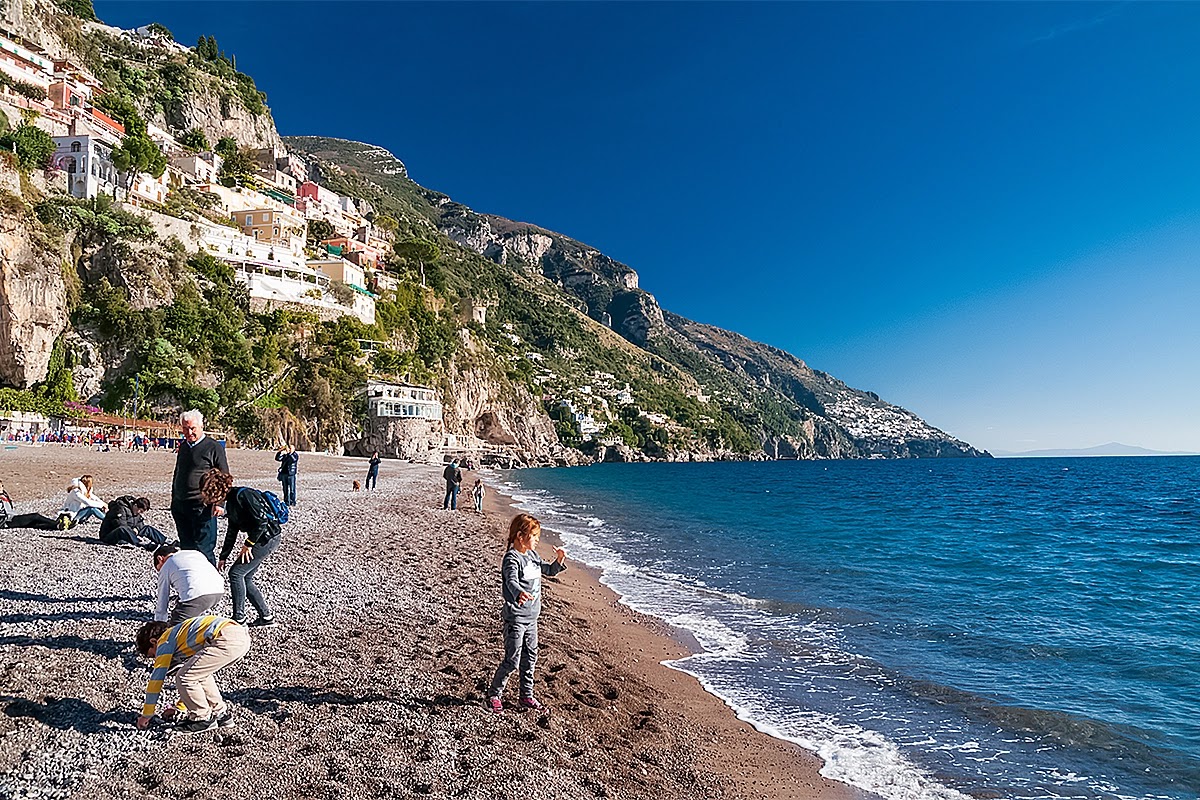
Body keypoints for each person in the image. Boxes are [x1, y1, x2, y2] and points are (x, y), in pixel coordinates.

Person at [485, 513, 567, 713]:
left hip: (532, 619)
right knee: (512, 660)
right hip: (516, 619)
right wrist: (519, 592)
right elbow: (511, 580)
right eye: (534, 536)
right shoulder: (512, 558)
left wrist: (559, 561)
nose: (537, 540)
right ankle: (493, 695)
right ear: (521, 537)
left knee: (530, 657)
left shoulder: (532, 556)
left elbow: (547, 570)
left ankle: (526, 696)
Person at [134, 615, 251, 733]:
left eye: (153, 655)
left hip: (224, 638)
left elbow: (156, 679)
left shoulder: (165, 640)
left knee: (184, 677)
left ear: (153, 642)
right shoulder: (182, 636)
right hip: (240, 636)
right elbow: (193, 687)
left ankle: (201, 719)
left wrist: (147, 714)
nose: (156, 658)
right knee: (199, 675)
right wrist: (179, 707)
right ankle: (220, 714)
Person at [201, 469, 281, 628]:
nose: (210, 503)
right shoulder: (231, 503)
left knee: (236, 574)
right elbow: (232, 531)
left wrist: (248, 545)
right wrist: (223, 556)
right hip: (263, 539)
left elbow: (262, 522)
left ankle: (239, 619)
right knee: (245, 576)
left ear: (217, 492)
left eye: (210, 497)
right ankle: (266, 617)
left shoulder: (243, 495)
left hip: (268, 539)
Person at [171, 410, 228, 566]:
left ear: (201, 426)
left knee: (204, 549)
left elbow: (224, 476)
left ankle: (212, 586)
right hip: (181, 506)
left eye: (192, 428)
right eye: (185, 428)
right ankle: (192, 585)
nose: (189, 432)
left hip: (202, 507)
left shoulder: (213, 447)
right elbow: (177, 473)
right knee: (187, 550)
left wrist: (219, 503)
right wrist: (174, 502)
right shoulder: (183, 447)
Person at [153, 544, 225, 624]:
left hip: (197, 596)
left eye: (159, 569)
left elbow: (162, 597)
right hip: (218, 590)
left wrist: (159, 622)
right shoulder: (195, 553)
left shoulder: (167, 564)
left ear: (160, 559)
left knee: (175, 629)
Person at [99, 496, 166, 548]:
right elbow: (120, 524)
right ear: (136, 505)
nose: (140, 513)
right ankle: (142, 544)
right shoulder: (120, 508)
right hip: (110, 536)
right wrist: (133, 533)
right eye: (141, 511)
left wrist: (136, 528)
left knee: (147, 528)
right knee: (122, 529)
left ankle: (165, 541)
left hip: (128, 533)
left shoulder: (136, 512)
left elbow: (140, 523)